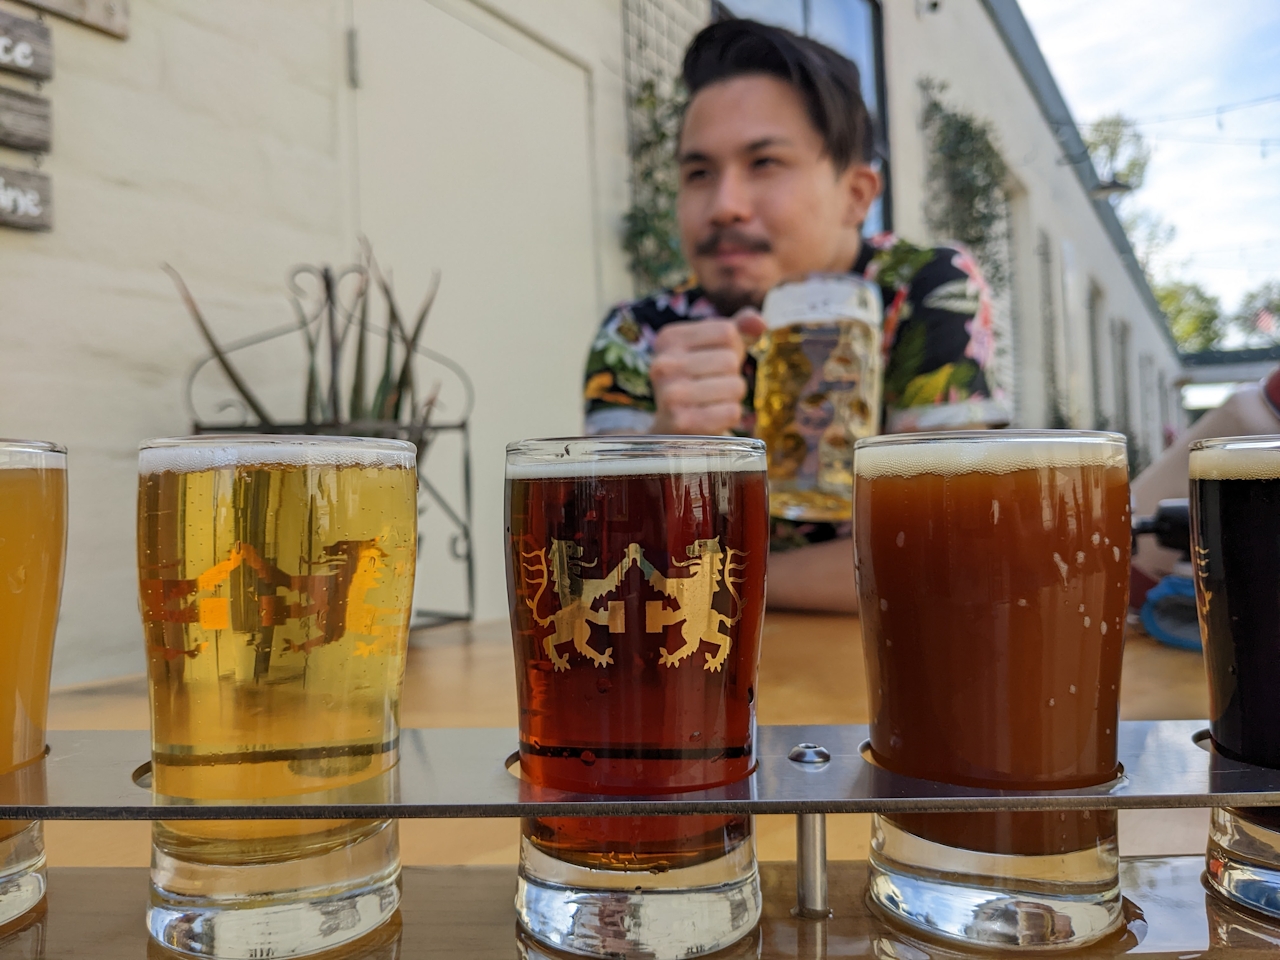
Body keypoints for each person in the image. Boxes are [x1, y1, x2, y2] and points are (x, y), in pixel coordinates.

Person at [583, 18, 1010, 612]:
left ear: (857, 195)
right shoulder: (641, 335)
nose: (725, 206)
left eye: (765, 164)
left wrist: (721, 576)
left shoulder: (925, 288)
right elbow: (599, 570)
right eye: (698, 173)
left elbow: (958, 546)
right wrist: (664, 449)